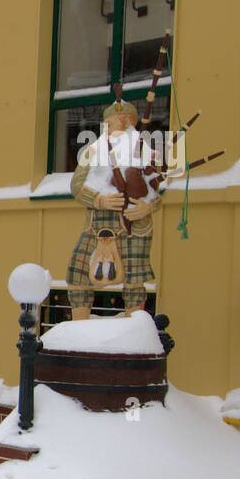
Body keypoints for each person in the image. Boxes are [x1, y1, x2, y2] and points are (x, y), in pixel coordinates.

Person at [66, 99, 160, 319]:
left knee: (134, 282)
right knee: (77, 274)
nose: (112, 128)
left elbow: (156, 192)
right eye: (108, 124)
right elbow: (76, 186)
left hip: (135, 227)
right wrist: (100, 200)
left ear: (129, 122)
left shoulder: (146, 152)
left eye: (118, 123)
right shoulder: (93, 151)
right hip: (96, 226)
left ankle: (134, 327)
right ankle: (78, 330)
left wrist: (147, 207)